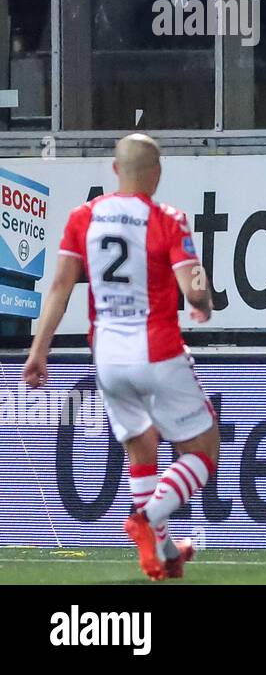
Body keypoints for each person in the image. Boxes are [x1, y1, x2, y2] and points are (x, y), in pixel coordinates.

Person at [23, 134, 216, 581]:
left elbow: (60, 288)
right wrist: (202, 301)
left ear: (114, 170)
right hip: (159, 351)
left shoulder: (83, 217)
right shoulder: (168, 219)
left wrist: (39, 351)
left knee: (141, 447)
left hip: (107, 357)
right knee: (203, 451)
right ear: (158, 174)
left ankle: (162, 553)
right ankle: (146, 520)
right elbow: (194, 286)